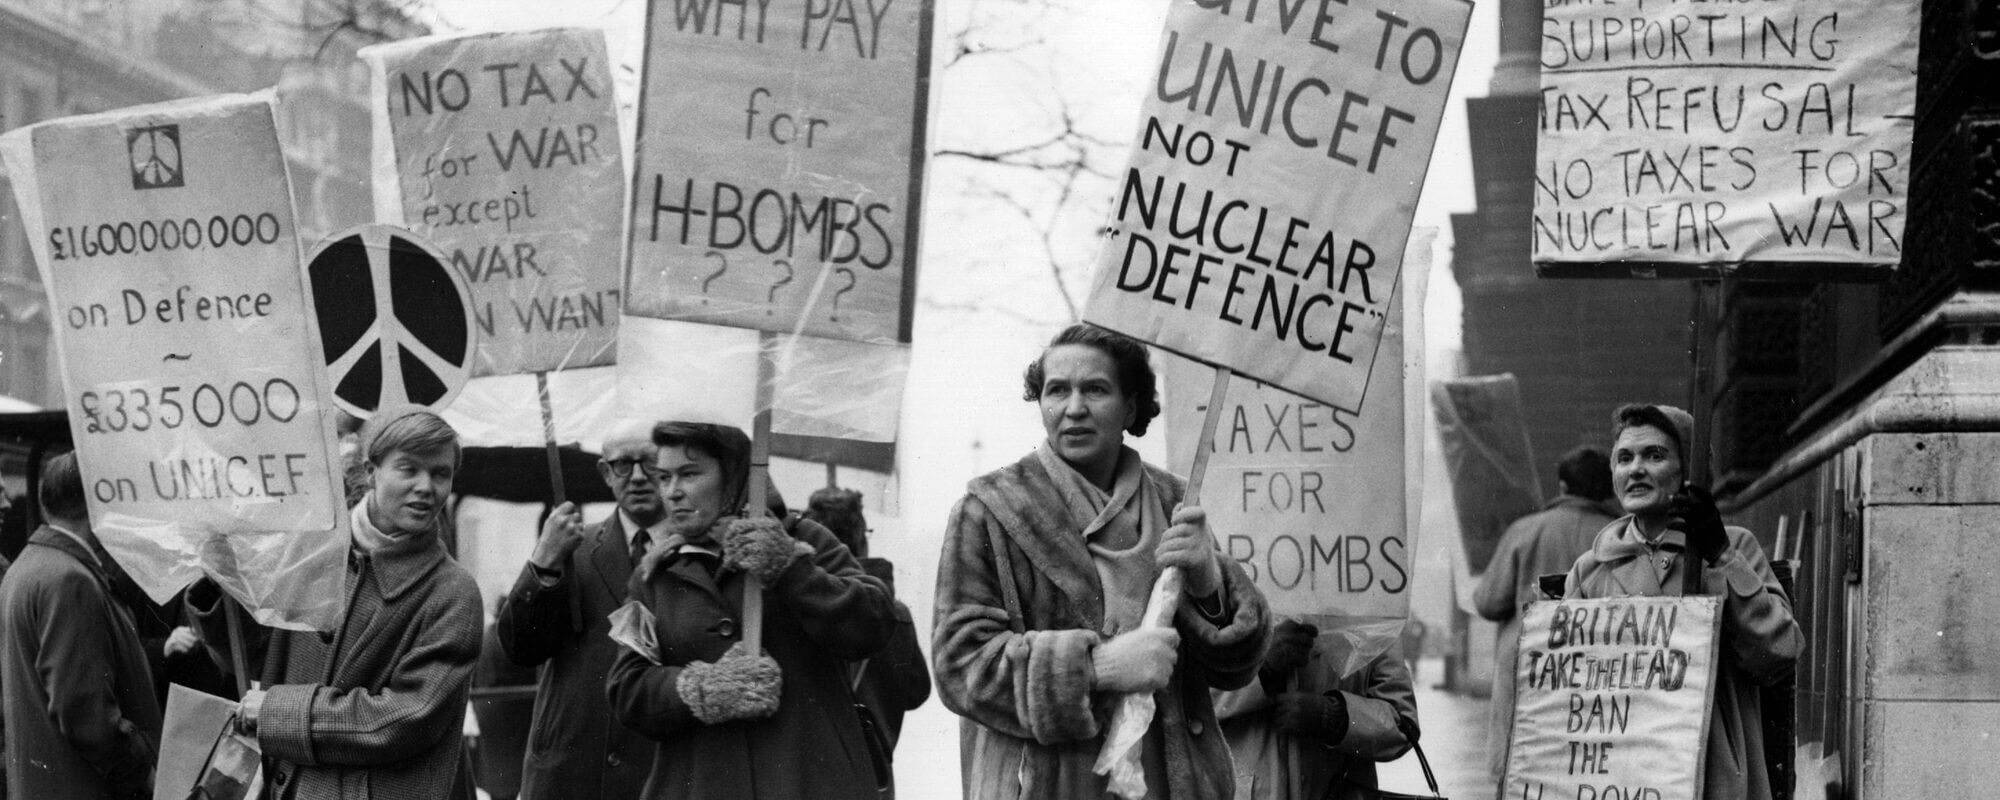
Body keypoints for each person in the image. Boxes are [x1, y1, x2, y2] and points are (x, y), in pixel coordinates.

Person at [933, 323, 1271, 799]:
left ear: (1130, 406)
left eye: (1095, 389)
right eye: (1057, 391)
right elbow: (960, 667)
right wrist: (1098, 668)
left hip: (1168, 779)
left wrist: (1209, 583)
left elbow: (1234, 671)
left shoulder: (1176, 501)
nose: (1073, 409)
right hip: (1050, 784)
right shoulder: (991, 509)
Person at [190, 405, 483, 798]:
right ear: (370, 472)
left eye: (440, 473)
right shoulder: (308, 551)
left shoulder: (452, 593)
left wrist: (278, 713)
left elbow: (405, 719)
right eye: (409, 469)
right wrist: (220, 582)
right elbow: (254, 659)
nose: (426, 487)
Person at [605, 422, 894, 800]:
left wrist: (791, 568)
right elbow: (626, 687)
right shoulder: (652, 575)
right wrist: (700, 688)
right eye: (664, 477)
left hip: (809, 781)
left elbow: (872, 623)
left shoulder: (801, 539)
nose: (672, 492)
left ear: (734, 476)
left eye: (690, 474)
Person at [1562, 404, 1802, 800]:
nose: (1635, 469)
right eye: (1624, 458)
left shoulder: (1734, 545)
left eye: (1654, 455)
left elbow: (1780, 650)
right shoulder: (1591, 570)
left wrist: (1720, 554)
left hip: (1715, 770)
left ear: (1688, 471)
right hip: (1622, 775)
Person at [495, 423, 664, 800]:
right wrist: (543, 563)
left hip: (656, 775)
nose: (636, 477)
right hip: (571, 775)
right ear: (605, 472)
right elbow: (521, 649)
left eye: (649, 463)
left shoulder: (694, 556)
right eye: (622, 465)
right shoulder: (572, 548)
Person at [0, 451, 160, 800]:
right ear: (96, 502)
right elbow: (87, 715)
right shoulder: (70, 579)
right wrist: (146, 776)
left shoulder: (26, 568)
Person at [1473, 446, 1615, 791]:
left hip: (1528, 670)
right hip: (1593, 677)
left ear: (1563, 486)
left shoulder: (1525, 530)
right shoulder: (1618, 536)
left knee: (1519, 771)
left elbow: (1489, 603)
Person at [801, 486, 931, 798]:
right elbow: (916, 691)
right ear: (861, 536)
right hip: (875, 779)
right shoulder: (895, 613)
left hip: (812, 779)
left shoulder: (799, 607)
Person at [1211, 618, 1418, 800]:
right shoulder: (1219, 587)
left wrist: (1333, 716)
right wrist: (1259, 668)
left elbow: (1403, 725)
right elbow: (1187, 699)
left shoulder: (1372, 614)